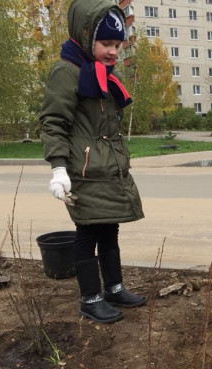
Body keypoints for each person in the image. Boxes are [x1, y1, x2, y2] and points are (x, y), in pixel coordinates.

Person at [40, 0, 146, 324]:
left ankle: (113, 288)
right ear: (87, 38)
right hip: (84, 173)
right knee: (87, 234)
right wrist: (59, 168)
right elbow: (53, 122)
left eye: (117, 44)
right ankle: (90, 299)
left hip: (107, 171)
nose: (114, 51)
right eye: (106, 44)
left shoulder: (102, 73)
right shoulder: (67, 72)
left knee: (109, 230)